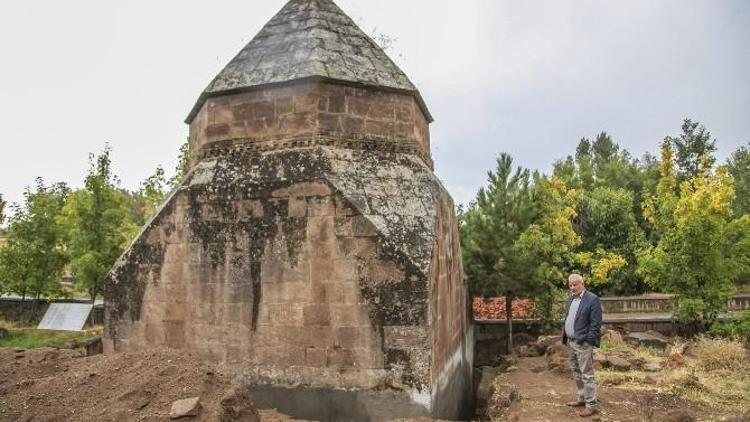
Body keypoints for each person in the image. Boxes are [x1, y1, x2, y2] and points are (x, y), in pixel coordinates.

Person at [562, 273, 602, 417]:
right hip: (571, 342)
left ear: (582, 284)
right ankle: (582, 398)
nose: (572, 287)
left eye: (575, 284)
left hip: (583, 343)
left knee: (587, 374)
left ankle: (591, 405)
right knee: (576, 372)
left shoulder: (592, 299)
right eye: (570, 285)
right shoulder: (570, 299)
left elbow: (596, 323)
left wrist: (588, 341)